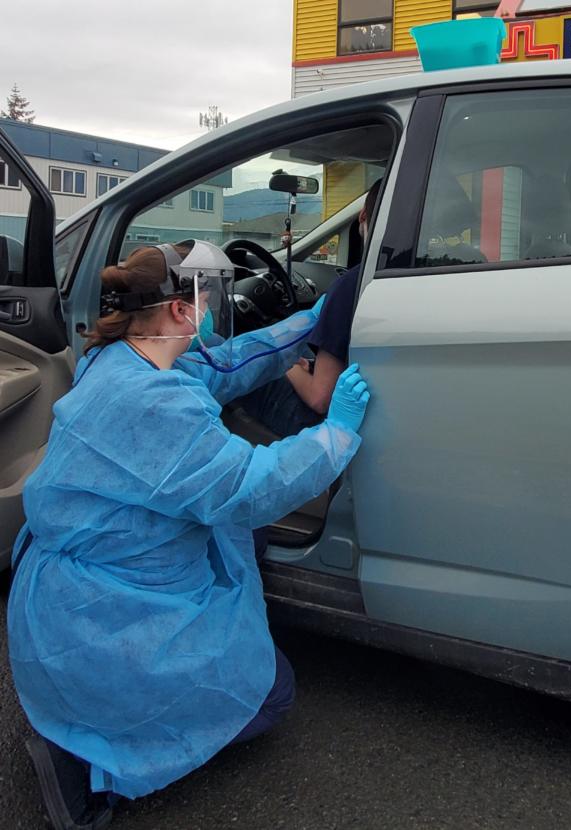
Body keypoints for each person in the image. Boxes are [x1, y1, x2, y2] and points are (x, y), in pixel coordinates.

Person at [8, 240, 370, 829]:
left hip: (64, 597)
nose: (213, 309)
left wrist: (314, 319)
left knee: (241, 544)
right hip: (106, 618)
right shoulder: (156, 405)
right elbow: (253, 486)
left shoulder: (123, 357)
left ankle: (89, 718)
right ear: (181, 309)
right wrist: (336, 435)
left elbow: (228, 364)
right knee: (271, 695)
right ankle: (95, 773)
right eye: (207, 297)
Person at [236, 178, 382, 437]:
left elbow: (320, 398)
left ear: (362, 217)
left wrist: (288, 364)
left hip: (345, 424)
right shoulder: (424, 273)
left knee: (247, 373)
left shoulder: (354, 286)